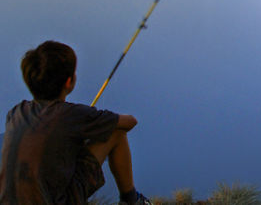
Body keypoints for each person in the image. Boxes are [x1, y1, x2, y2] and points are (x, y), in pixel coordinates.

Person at [0, 41, 151, 205]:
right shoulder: (72, 114)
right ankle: (131, 200)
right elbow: (130, 122)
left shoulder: (15, 113)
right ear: (69, 82)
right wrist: (96, 124)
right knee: (116, 132)